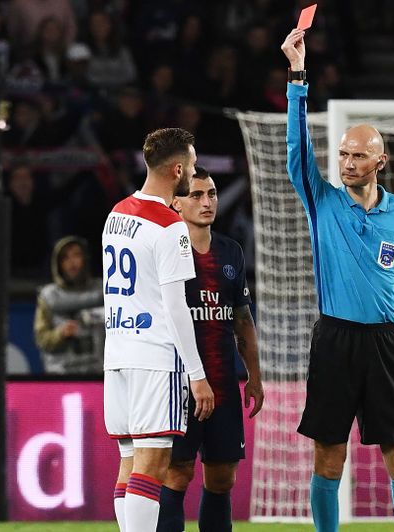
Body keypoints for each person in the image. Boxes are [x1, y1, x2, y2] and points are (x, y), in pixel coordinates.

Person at [280, 28, 394, 532]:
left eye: (358, 156)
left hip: (386, 343)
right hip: (335, 339)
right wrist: (297, 78)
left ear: (380, 161)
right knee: (328, 456)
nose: (347, 163)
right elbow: (297, 152)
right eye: (343, 154)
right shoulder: (322, 201)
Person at [103, 128, 215, 532]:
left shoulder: (117, 214)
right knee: (152, 466)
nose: (194, 172)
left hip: (117, 355)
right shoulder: (169, 225)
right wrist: (197, 375)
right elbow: (175, 306)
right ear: (178, 170)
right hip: (154, 357)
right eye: (193, 164)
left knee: (130, 463)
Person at [157, 167, 264, 532]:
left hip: (222, 384)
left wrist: (254, 377)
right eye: (197, 195)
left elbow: (242, 320)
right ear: (176, 202)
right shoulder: (165, 251)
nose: (207, 202)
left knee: (222, 478)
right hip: (179, 384)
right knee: (177, 473)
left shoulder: (230, 251)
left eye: (212, 194)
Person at [34, 236, 104, 374]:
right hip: (61, 375)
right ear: (58, 264)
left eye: (76, 255)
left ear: (85, 258)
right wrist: (60, 334)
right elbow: (41, 339)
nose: (72, 262)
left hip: (98, 374)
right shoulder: (48, 296)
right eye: (65, 258)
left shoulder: (103, 290)